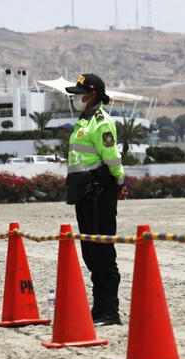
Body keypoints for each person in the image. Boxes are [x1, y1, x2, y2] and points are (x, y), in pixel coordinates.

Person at [65, 74, 129, 327]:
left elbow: (112, 157)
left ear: (91, 95)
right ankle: (98, 308)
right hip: (84, 193)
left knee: (102, 252)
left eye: (79, 93)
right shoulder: (84, 121)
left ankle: (109, 312)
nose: (74, 97)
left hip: (99, 191)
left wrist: (120, 183)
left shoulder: (101, 122)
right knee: (90, 253)